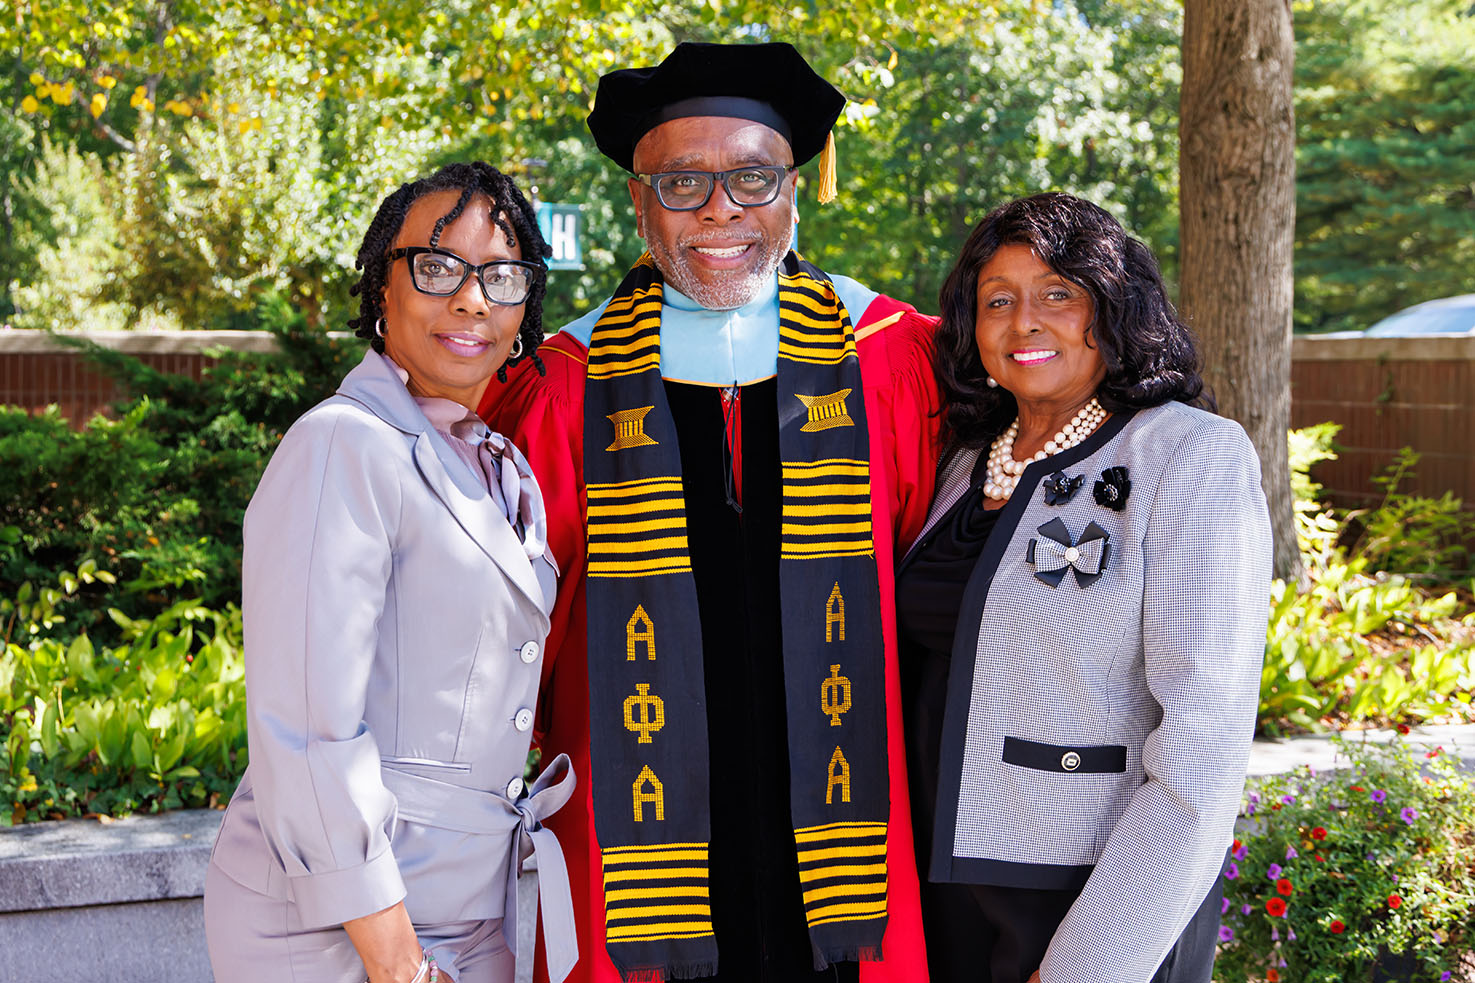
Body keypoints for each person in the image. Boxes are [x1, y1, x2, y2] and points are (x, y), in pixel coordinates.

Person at [479, 42, 937, 983]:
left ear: (796, 189)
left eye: (752, 176)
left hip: (855, 814)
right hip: (632, 812)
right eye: (682, 181)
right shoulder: (564, 383)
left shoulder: (890, 353)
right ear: (640, 202)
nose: (720, 208)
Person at [204, 162, 578, 983]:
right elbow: (307, 730)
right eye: (437, 267)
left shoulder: (491, 461)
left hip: (466, 908)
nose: (472, 298)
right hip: (344, 923)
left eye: (501, 275)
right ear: (382, 286)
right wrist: (400, 962)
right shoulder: (344, 443)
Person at [895, 191, 1271, 983]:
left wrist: (1094, 962)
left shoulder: (1185, 455)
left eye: (1056, 294)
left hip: (1089, 893)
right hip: (941, 883)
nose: (1023, 322)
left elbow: (1202, 747)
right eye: (996, 300)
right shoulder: (963, 459)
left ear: (1113, 306)